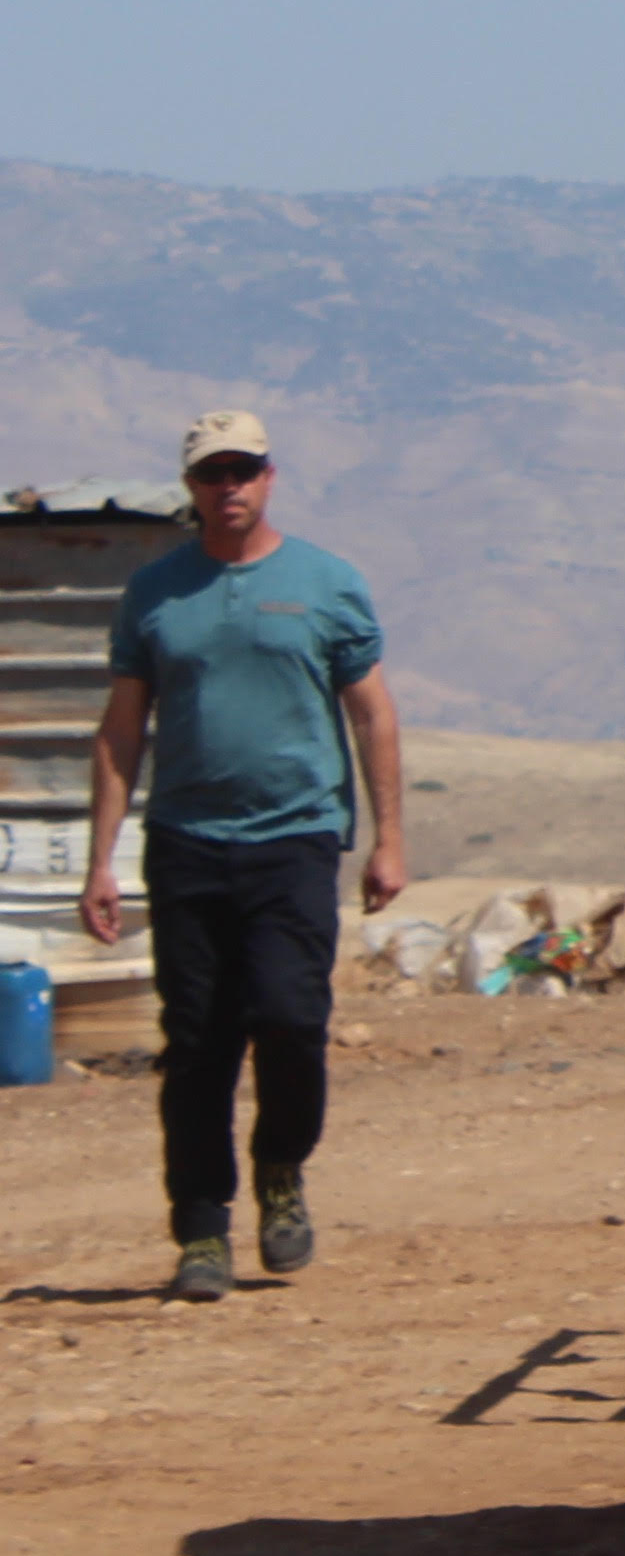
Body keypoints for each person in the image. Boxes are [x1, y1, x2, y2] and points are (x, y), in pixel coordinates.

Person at [81, 407, 408, 1304]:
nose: (228, 485)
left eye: (243, 469)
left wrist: (389, 839)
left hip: (295, 841)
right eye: (210, 472)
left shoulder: (326, 583)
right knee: (196, 1044)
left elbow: (372, 713)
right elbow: (120, 733)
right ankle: (199, 1226)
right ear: (190, 487)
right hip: (186, 844)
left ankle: (280, 1172)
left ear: (270, 477)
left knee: (291, 1019)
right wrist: (99, 861)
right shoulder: (155, 593)